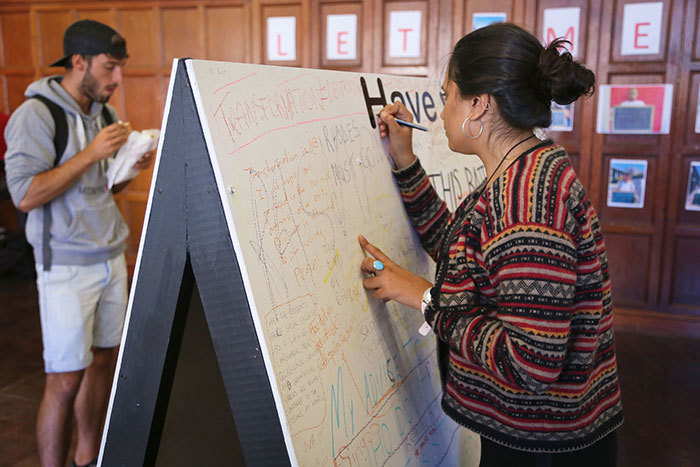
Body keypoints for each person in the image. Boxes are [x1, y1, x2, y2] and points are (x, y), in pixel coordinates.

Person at [358, 23, 623, 466]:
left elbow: (532, 363)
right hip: (537, 436)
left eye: (448, 97)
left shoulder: (528, 201)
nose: (441, 114)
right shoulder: (522, 172)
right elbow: (466, 255)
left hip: (544, 447)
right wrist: (405, 163)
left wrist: (423, 298)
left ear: (479, 105)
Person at [4, 20, 153, 467]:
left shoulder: (103, 114)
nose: (118, 79)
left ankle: (87, 458)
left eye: (121, 68)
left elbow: (102, 191)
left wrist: (127, 166)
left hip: (110, 256)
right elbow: (26, 194)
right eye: (110, 68)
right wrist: (91, 154)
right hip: (65, 265)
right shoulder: (36, 115)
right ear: (78, 62)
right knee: (65, 380)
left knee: (102, 363)